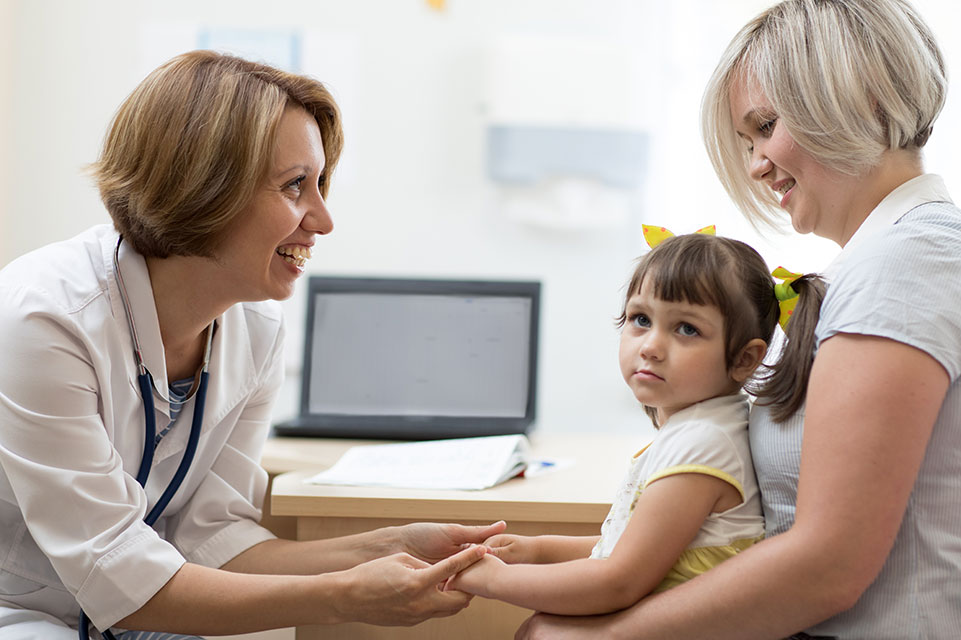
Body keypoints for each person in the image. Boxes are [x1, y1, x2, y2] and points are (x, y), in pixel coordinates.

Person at [0, 50, 505, 639]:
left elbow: (215, 540)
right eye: (295, 186)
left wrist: (389, 545)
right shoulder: (43, 318)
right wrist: (344, 596)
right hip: (25, 611)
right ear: (203, 186)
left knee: (268, 628)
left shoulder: (256, 332)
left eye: (319, 184)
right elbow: (119, 575)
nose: (322, 218)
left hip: (138, 608)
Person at [516, 0, 960, 638]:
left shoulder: (905, 264)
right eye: (747, 141)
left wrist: (603, 637)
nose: (755, 164)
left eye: (766, 126)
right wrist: (540, 553)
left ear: (857, 96)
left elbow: (827, 564)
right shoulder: (887, 258)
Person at [445, 229, 823, 618]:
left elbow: (618, 580)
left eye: (687, 329)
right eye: (640, 319)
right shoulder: (699, 429)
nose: (650, 346)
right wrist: (538, 550)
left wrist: (491, 581)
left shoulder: (706, 444)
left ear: (744, 359)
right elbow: (629, 546)